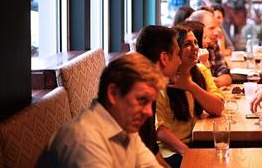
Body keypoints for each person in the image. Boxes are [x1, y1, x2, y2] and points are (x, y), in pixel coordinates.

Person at [38, 52, 166, 167]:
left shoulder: (124, 126)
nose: (149, 112)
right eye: (142, 100)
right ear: (113, 94)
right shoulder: (84, 140)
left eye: (150, 103)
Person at [156, 24, 224, 168]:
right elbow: (158, 129)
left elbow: (218, 108)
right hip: (172, 150)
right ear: (175, 50)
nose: (195, 48)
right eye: (187, 44)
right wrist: (185, 151)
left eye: (195, 42)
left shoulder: (201, 71)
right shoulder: (164, 79)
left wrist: (190, 86)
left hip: (198, 141)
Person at [135, 25, 182, 154]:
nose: (180, 61)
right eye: (178, 55)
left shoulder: (149, 87)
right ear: (164, 58)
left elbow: (152, 153)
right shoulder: (138, 97)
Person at [188, 9, 232, 87]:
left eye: (217, 27)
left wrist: (211, 82)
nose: (217, 32)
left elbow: (226, 75)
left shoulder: (212, 46)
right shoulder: (188, 52)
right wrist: (210, 82)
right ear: (197, 29)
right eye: (211, 28)